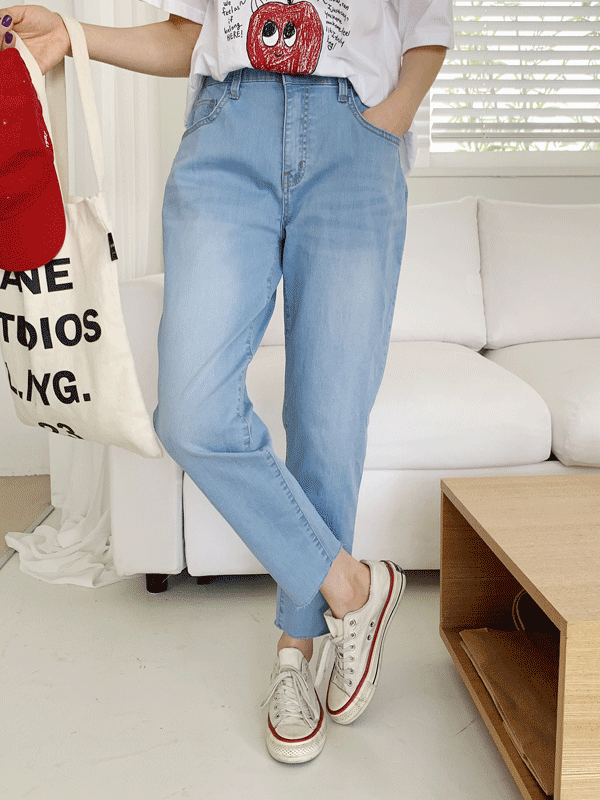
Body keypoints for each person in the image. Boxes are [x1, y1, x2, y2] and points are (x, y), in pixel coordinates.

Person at [1, 1, 453, 764]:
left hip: (355, 139)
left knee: (329, 419)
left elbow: (428, 31)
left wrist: (388, 121)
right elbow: (188, 36)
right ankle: (353, 588)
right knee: (192, 411)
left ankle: (297, 650)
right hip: (227, 132)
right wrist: (73, 38)